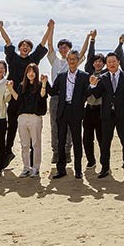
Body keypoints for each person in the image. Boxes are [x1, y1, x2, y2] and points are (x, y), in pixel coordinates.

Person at [0, 22, 47, 166]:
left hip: (29, 98)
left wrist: (50, 29)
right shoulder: (13, 57)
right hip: (14, 96)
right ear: (19, 48)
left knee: (31, 127)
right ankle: (8, 152)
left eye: (28, 46)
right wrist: (1, 28)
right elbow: (7, 42)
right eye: (22, 45)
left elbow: (42, 45)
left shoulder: (33, 60)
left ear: (30, 49)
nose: (25, 47)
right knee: (11, 125)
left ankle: (32, 159)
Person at [43, 22, 92, 168]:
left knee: (71, 127)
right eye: (61, 47)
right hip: (56, 96)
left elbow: (83, 52)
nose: (63, 49)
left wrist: (88, 37)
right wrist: (51, 28)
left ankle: (67, 152)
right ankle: (56, 152)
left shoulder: (73, 61)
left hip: (70, 99)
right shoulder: (55, 61)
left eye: (66, 47)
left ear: (70, 50)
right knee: (55, 125)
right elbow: (49, 46)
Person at [90, 47, 124, 178]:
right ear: (106, 64)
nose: (111, 64)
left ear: (118, 62)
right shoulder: (103, 77)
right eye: (109, 62)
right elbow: (97, 94)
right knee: (105, 143)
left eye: (114, 61)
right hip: (107, 115)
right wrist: (93, 85)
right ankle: (105, 168)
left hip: (122, 115)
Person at [46, 50, 90, 179]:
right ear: (67, 60)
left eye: (74, 59)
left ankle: (78, 170)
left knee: (77, 141)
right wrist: (45, 82)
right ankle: (61, 170)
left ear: (78, 61)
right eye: (69, 59)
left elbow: (87, 93)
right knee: (61, 141)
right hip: (63, 111)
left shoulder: (84, 76)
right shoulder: (61, 76)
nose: (71, 61)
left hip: (76, 112)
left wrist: (92, 85)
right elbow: (53, 92)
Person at [15, 63, 49, 177]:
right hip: (22, 117)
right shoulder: (21, 85)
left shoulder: (39, 85)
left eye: (33, 71)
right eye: (29, 71)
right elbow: (18, 100)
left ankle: (36, 168)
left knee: (36, 144)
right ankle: (26, 168)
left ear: (36, 73)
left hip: (35, 117)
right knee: (24, 144)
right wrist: (10, 89)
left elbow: (42, 96)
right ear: (26, 73)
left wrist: (44, 83)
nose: (31, 73)